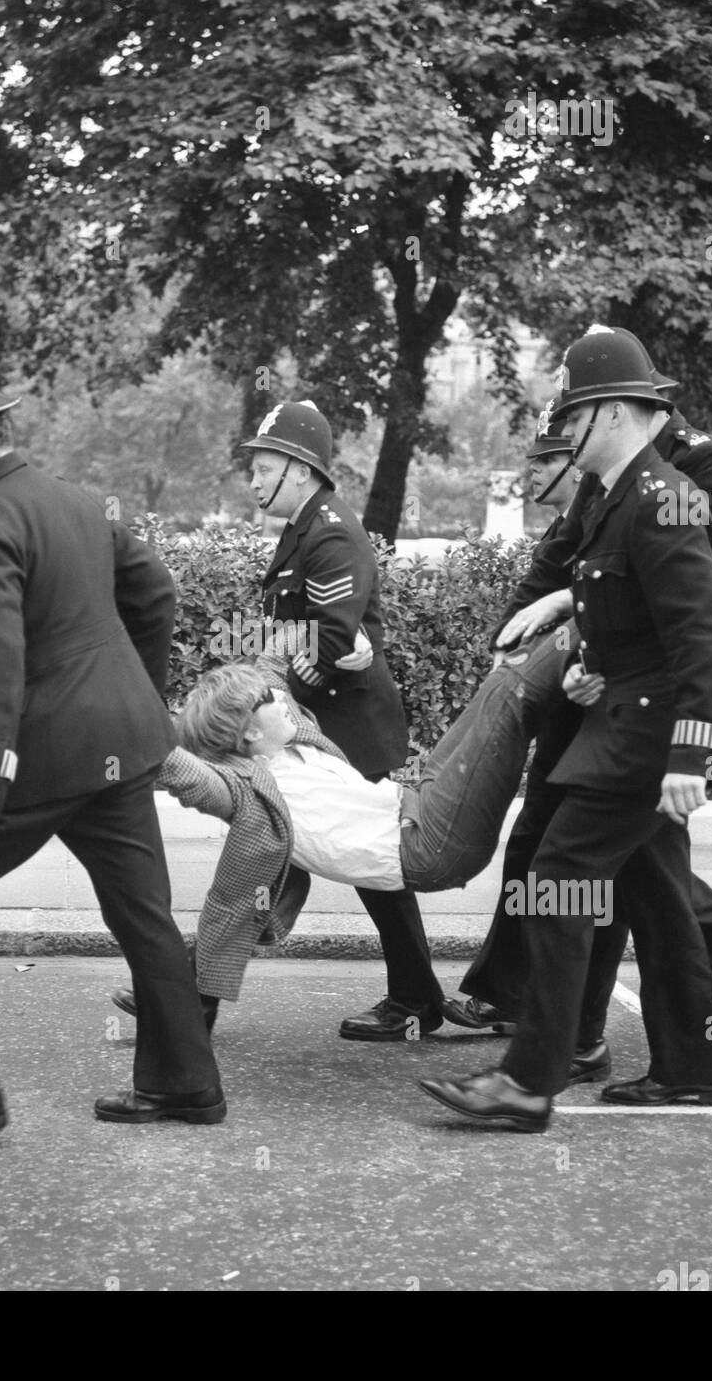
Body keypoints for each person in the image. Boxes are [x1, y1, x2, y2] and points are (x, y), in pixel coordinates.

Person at [0, 349, 223, 1152]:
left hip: (55, 751)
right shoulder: (80, 501)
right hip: (122, 745)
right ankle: (186, 1083)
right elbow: (156, 593)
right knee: (142, 913)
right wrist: (135, 698)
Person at [419, 325, 712, 1131]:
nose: (562, 433)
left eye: (572, 416)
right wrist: (582, 660)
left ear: (611, 414)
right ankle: (693, 1066)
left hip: (641, 740)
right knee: (658, 898)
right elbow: (629, 617)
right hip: (623, 720)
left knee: (556, 880)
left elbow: (708, 636)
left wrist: (690, 756)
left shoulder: (661, 499)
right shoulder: (622, 497)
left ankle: (531, 1079)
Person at [108, 645, 569, 1015]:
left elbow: (272, 664)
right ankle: (591, 618)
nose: (282, 699)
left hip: (421, 805)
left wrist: (342, 639)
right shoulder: (249, 790)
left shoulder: (291, 737)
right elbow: (186, 773)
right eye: (269, 701)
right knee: (510, 698)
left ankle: (584, 643)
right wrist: (113, 724)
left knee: (500, 680)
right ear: (247, 733)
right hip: (431, 848)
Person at [239, 400, 467, 1041]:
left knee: (365, 870)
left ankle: (188, 991)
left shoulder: (331, 530)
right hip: (318, 729)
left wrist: (279, 681)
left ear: (300, 468)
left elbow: (333, 639)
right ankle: (191, 989)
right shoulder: (305, 529)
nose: (253, 481)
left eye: (263, 468)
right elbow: (308, 632)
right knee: (288, 860)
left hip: (343, 734)